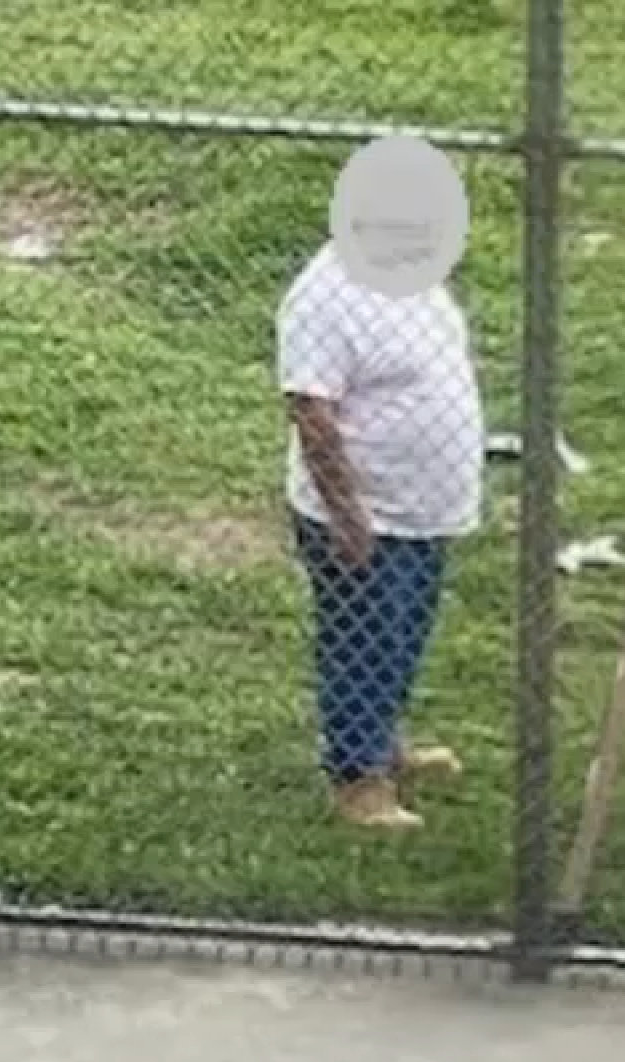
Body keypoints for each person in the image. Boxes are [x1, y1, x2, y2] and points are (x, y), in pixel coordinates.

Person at [275, 242, 480, 829]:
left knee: (402, 632)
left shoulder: (409, 272)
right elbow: (311, 410)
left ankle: (383, 744)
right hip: (367, 514)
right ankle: (356, 779)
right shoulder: (324, 295)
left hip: (422, 510)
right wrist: (345, 512)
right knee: (362, 638)